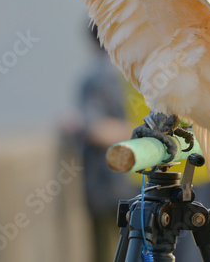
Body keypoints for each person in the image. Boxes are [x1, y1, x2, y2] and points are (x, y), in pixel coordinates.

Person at [78, 24, 139, 262]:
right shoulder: (138, 71)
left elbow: (95, 129)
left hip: (105, 186)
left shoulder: (96, 76)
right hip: (139, 185)